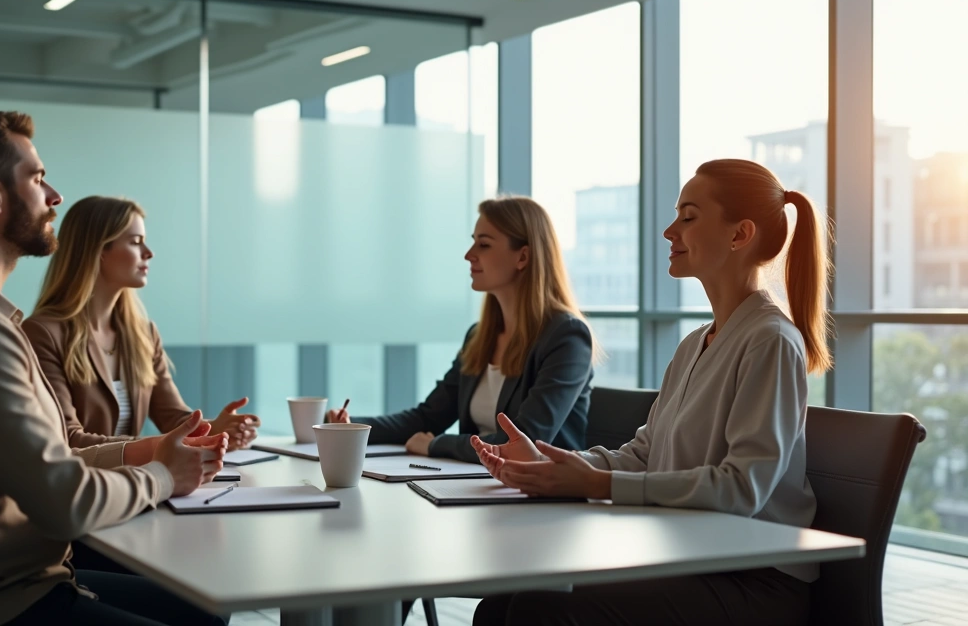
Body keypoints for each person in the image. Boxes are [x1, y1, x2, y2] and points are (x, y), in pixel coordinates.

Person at [0, 110, 228, 626]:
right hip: (6, 604)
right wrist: (161, 476)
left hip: (15, 582)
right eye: (38, 178)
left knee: (203, 606)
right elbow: (66, 502)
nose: (55, 196)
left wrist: (150, 451)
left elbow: (55, 455)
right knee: (205, 613)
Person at [472, 159, 832, 626]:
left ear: (740, 234)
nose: (669, 231)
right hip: (693, 557)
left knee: (538, 609)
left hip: (754, 579)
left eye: (688, 217)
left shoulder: (771, 340)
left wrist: (598, 484)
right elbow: (644, 455)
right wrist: (548, 463)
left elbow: (743, 487)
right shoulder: (696, 344)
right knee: (501, 606)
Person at [329, 196, 595, 463]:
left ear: (523, 256)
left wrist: (436, 445)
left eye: (484, 244)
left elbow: (522, 444)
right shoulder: (479, 337)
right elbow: (428, 418)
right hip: (477, 481)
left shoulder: (567, 338)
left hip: (541, 488)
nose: (469, 255)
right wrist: (352, 427)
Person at [23, 195, 259, 453]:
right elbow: (67, 439)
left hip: (138, 477)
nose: (149, 253)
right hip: (85, 478)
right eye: (136, 242)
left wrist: (216, 430)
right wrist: (163, 445)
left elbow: (175, 419)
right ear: (99, 251)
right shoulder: (43, 334)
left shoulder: (144, 334)